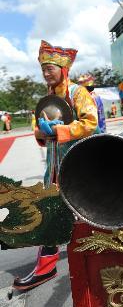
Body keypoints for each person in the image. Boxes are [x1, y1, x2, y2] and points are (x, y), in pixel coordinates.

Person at [13, 40, 99, 291]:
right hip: (54, 165)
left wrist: (60, 129)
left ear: (63, 69)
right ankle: (47, 265)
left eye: (50, 68)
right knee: (52, 208)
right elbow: (37, 129)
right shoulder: (47, 99)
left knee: (86, 206)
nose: (46, 72)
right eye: (43, 69)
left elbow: (90, 122)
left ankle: (102, 249)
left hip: (78, 161)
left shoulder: (77, 93)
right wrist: (41, 131)